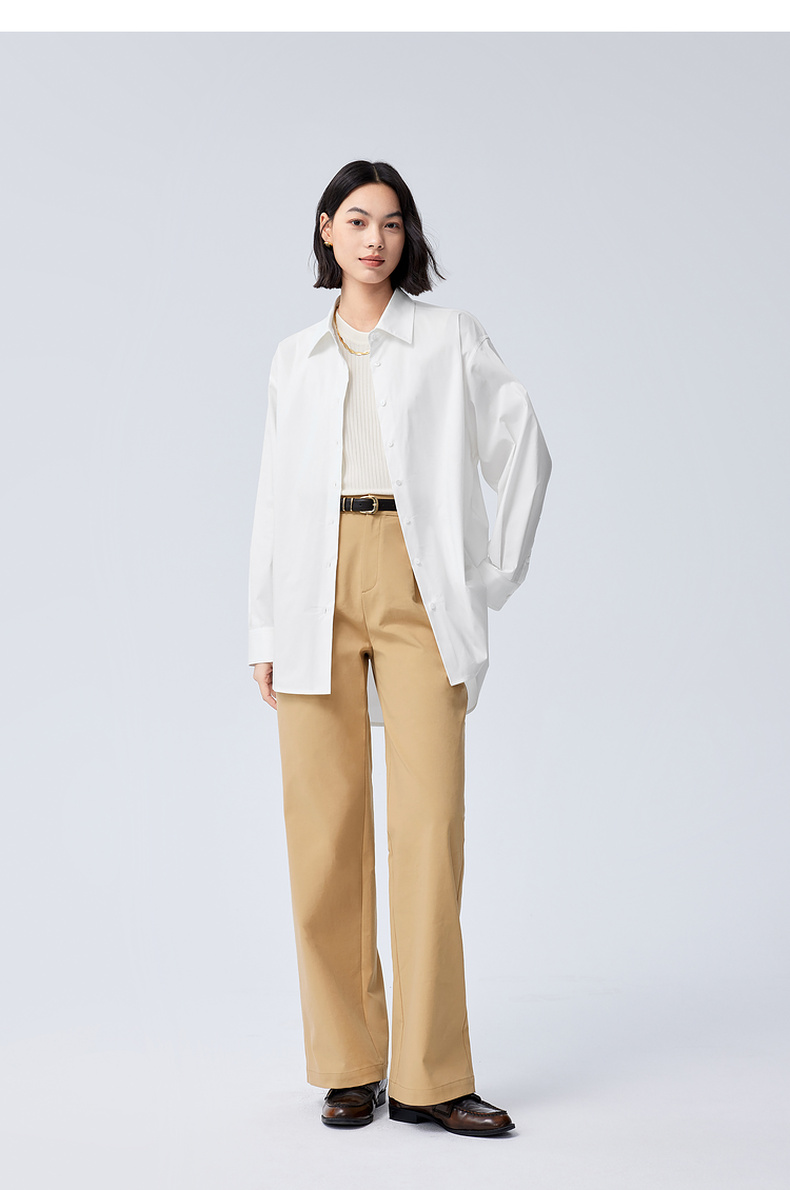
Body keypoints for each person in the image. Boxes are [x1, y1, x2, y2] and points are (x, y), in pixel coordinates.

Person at [248, 159, 552, 1137]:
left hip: (419, 584)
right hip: (314, 588)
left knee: (429, 829)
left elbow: (524, 446)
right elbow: (270, 497)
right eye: (357, 220)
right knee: (323, 834)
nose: (374, 238)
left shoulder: (448, 338)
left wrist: (486, 576)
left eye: (391, 222)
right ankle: (348, 1064)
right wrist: (263, 627)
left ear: (406, 237)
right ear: (326, 231)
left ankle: (430, 1074)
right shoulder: (295, 356)